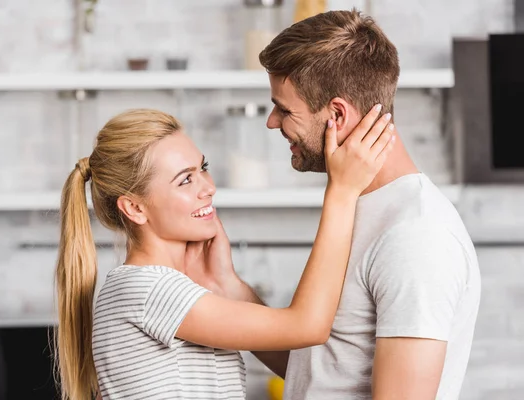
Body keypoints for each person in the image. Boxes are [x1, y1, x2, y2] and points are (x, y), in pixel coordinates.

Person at [197, 9, 482, 400]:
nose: (271, 122)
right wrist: (228, 287)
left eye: (285, 109)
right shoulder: (354, 205)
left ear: (336, 114)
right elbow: (321, 369)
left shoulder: (417, 237)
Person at [53, 107, 395, 400]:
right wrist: (342, 192)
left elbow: (303, 366)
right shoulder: (147, 290)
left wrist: (227, 283)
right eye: (185, 180)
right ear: (134, 208)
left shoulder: (159, 291)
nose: (208, 187)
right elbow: (308, 326)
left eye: (203, 167)